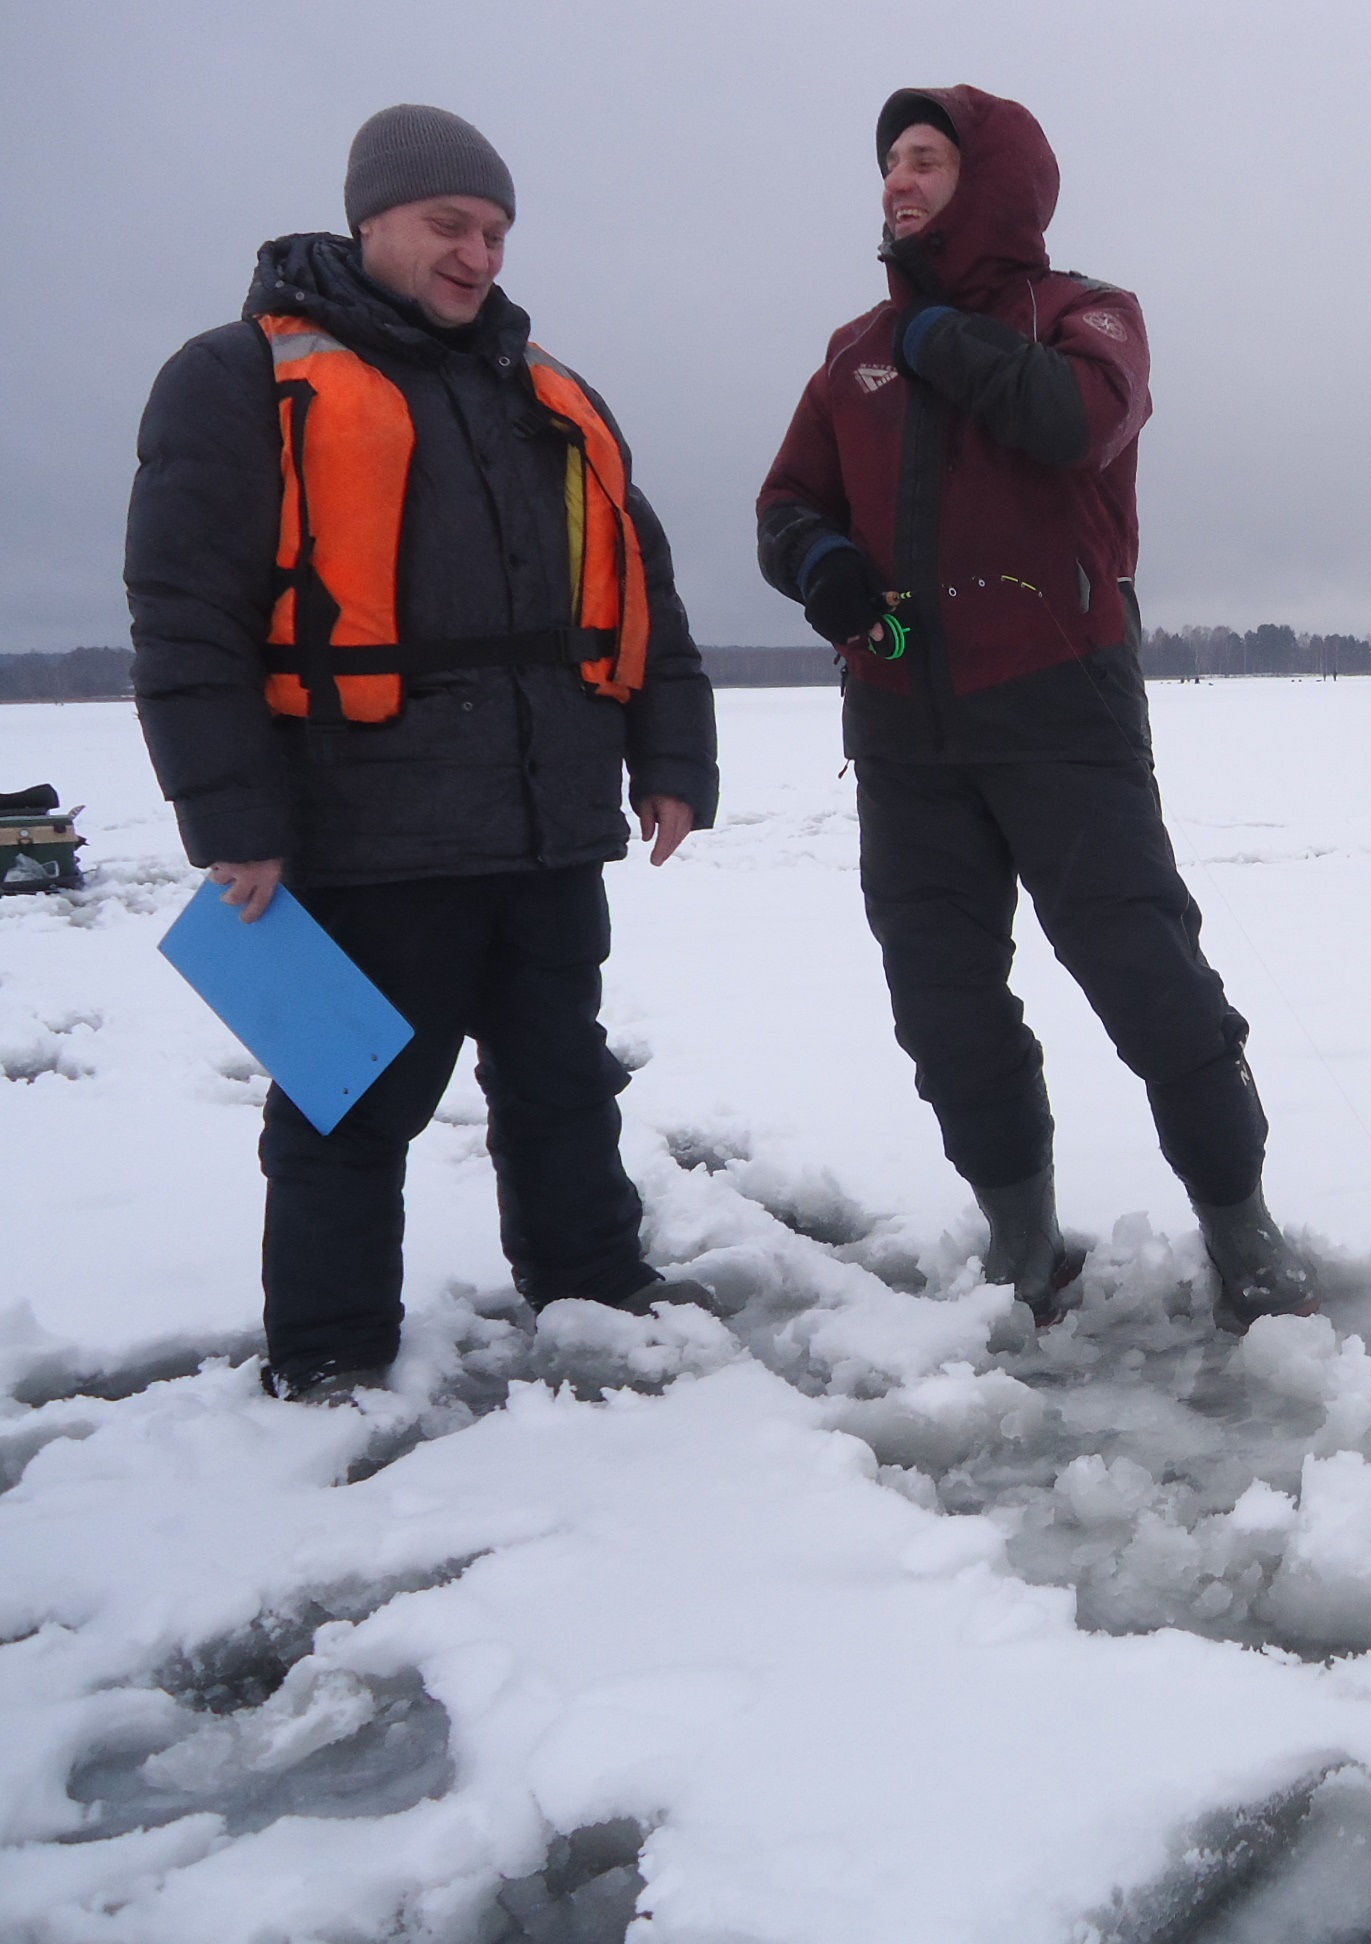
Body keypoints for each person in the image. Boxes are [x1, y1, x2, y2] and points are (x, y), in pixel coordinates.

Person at [128, 105, 721, 1404]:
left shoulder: (547, 394)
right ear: (373, 218)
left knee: (565, 1079)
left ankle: (598, 1292)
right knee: (349, 1104)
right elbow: (185, 620)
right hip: (366, 833)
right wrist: (232, 815)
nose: (478, 256)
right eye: (452, 225)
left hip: (549, 823)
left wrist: (670, 754)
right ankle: (329, 1357)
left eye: (497, 232)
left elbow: (641, 589)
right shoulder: (236, 381)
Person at [755, 86, 1310, 1331]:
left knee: (1148, 979)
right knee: (942, 1002)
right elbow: (785, 500)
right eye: (889, 163)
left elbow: (1072, 421)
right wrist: (818, 563)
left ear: (993, 182)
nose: (897, 183)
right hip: (903, 728)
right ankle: (1022, 1242)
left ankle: (1240, 1225)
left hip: (1062, 709)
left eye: (927, 161)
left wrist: (940, 326)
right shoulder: (851, 357)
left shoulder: (1085, 316)